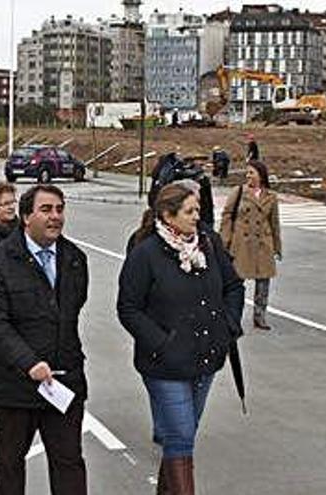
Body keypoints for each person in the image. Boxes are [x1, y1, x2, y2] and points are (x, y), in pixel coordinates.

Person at [117, 182, 244, 495]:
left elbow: (234, 287)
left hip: (206, 359)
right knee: (181, 435)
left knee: (181, 435)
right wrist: (163, 343)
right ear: (167, 215)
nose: (196, 216)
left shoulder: (209, 243)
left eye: (198, 209)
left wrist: (227, 326)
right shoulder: (145, 253)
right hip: (165, 365)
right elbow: (128, 308)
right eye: (189, 211)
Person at [0, 184, 90, 495]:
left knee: (69, 463)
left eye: (60, 209)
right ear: (26, 216)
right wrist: (28, 362)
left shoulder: (75, 258)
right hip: (14, 388)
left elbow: (72, 311)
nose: (56, 217)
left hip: (63, 382)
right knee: (10, 465)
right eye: (46, 209)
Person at [219, 161, 282, 330]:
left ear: (261, 175)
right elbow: (227, 215)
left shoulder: (271, 196)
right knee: (236, 283)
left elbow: (274, 222)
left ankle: (259, 317)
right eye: (247, 173)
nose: (248, 176)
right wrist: (225, 241)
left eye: (252, 173)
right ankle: (233, 316)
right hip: (242, 244)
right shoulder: (239, 192)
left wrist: (277, 246)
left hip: (263, 244)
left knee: (263, 284)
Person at [148, 152, 214, 230]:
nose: (205, 167)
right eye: (201, 164)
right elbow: (208, 206)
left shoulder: (167, 174)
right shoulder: (198, 179)